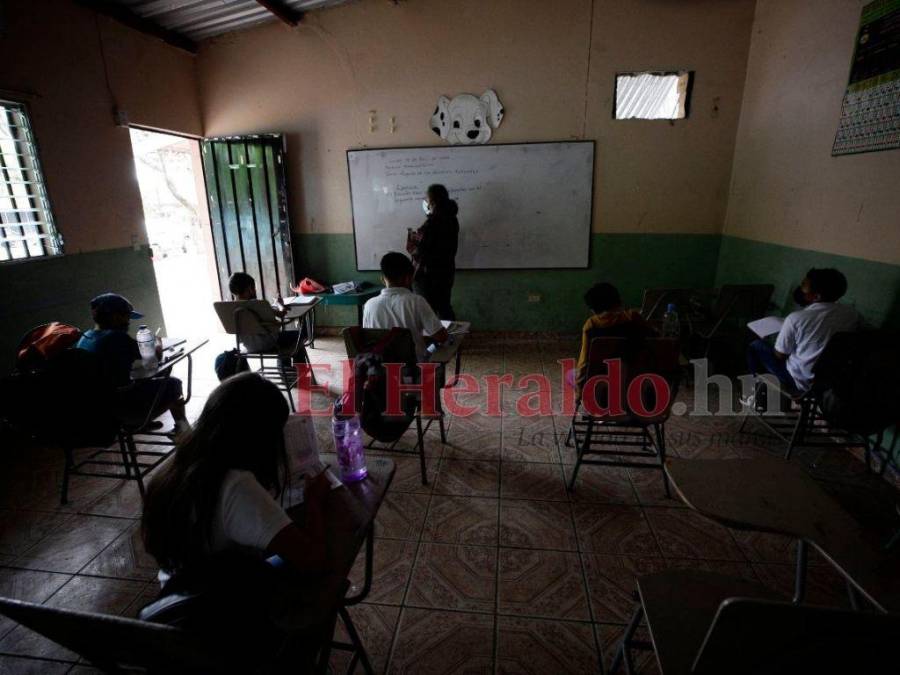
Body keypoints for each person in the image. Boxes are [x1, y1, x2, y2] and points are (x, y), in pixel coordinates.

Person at [140, 373, 334, 661]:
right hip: (219, 624)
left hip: (178, 594)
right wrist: (315, 501)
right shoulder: (235, 485)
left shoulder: (178, 465)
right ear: (259, 437)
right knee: (327, 573)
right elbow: (313, 560)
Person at [76, 292, 190, 436]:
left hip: (97, 408)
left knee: (147, 379)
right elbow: (154, 357)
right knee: (173, 383)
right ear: (115, 316)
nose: (129, 321)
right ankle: (183, 429)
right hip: (124, 406)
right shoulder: (117, 338)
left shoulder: (85, 338)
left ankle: (143, 423)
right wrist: (157, 343)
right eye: (127, 316)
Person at [746, 268, 860, 397]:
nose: (801, 288)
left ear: (817, 296)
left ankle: (756, 393)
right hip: (828, 381)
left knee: (755, 345)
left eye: (804, 286)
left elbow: (780, 356)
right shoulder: (851, 314)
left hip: (798, 381)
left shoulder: (796, 318)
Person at [363, 252, 448, 361]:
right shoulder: (417, 301)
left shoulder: (369, 305)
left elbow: (368, 337)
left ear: (382, 279)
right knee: (440, 345)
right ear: (409, 278)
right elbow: (441, 337)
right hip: (413, 368)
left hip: (381, 368)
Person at [572, 282, 656, 392]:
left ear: (592, 309)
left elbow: (584, 362)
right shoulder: (633, 317)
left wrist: (579, 391)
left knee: (571, 374)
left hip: (601, 385)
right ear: (618, 301)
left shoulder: (591, 324)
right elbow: (654, 338)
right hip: (636, 381)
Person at [228, 271, 303, 371]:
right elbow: (282, 314)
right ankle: (286, 368)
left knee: (286, 339)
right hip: (270, 343)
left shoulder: (229, 308)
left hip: (249, 346)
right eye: (253, 288)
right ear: (249, 288)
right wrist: (279, 304)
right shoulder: (258, 304)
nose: (254, 290)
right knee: (300, 335)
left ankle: (285, 368)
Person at [407, 183, 459, 320]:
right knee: (444, 306)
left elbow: (421, 250)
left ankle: (433, 338)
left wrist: (412, 240)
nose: (426, 202)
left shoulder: (433, 223)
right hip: (446, 271)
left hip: (429, 274)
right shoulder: (452, 219)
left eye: (427, 198)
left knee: (428, 309)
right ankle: (450, 337)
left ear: (432, 201)